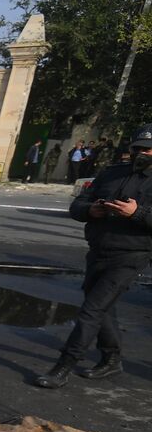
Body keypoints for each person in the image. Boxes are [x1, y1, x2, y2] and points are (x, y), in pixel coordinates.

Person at [33, 124, 152, 388]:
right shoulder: (112, 174)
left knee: (91, 310)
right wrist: (91, 211)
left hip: (132, 254)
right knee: (101, 308)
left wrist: (138, 213)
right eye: (139, 148)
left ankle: (63, 366)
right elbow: (77, 205)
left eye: (149, 149)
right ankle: (112, 360)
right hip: (99, 249)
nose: (143, 153)